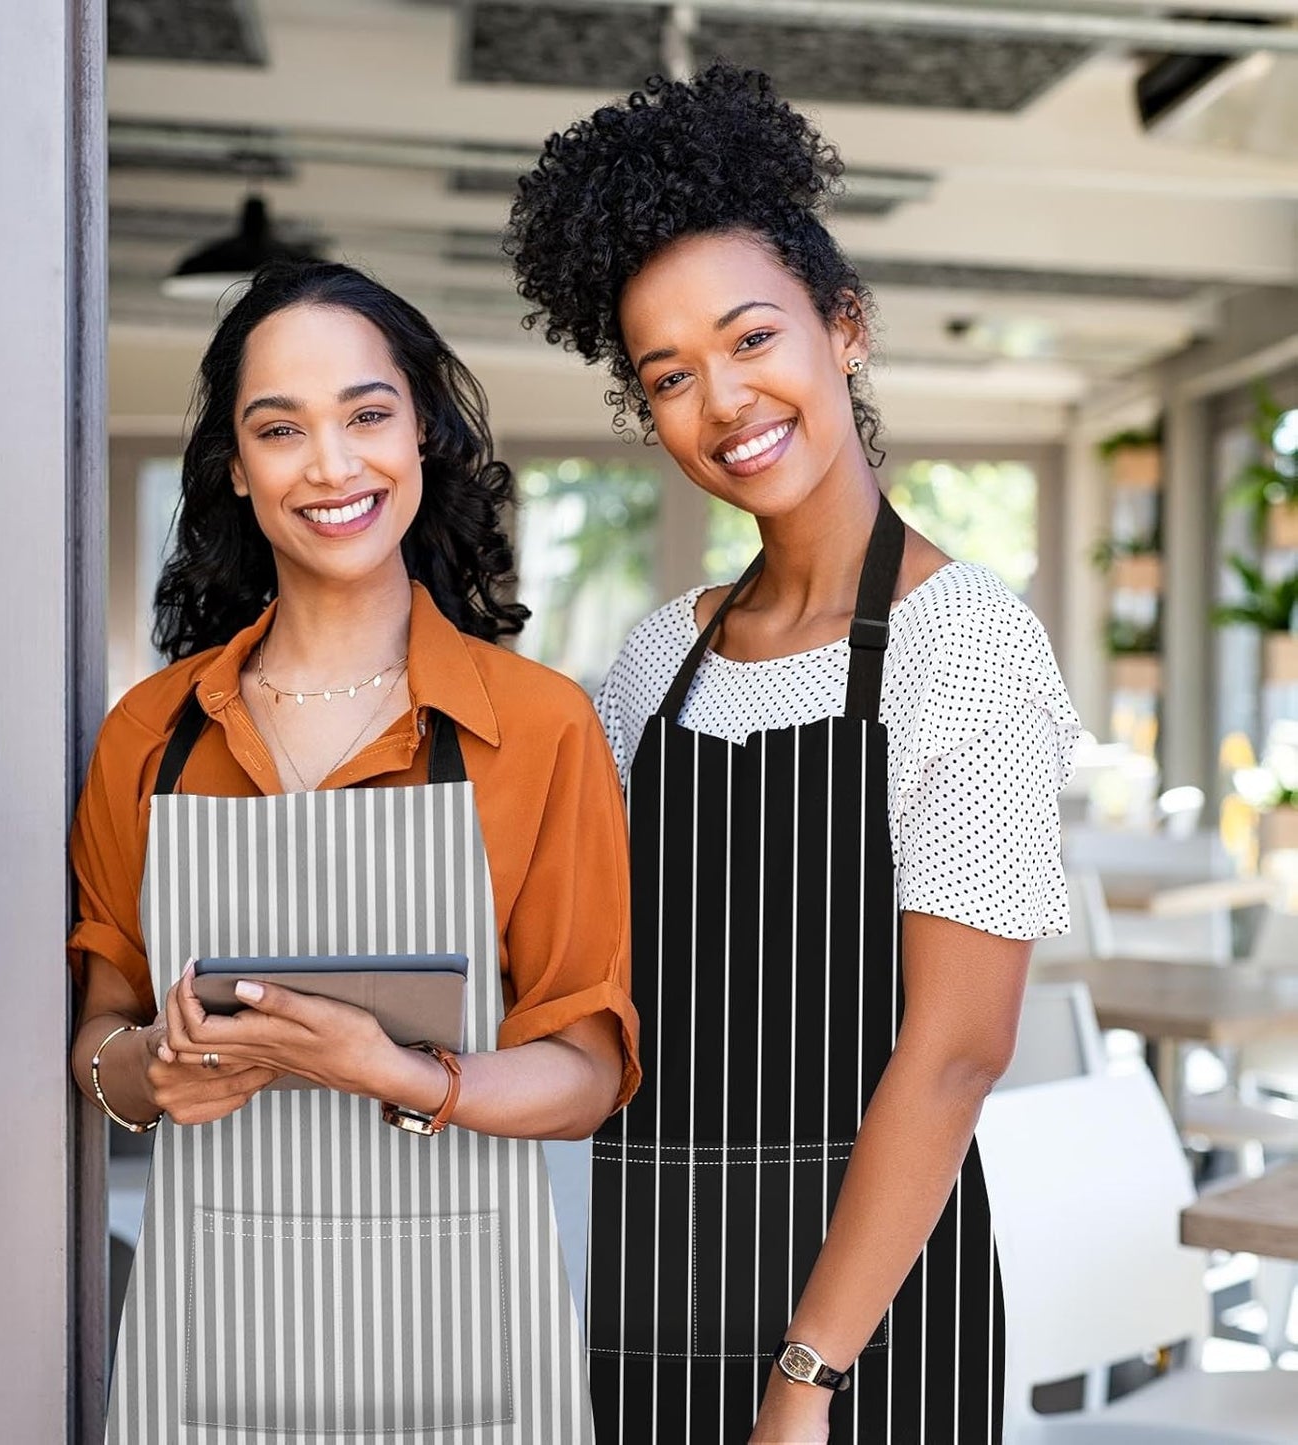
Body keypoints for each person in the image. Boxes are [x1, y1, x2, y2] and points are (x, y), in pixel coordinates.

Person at [507, 63, 1080, 1445]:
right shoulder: (658, 659)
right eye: (669, 376)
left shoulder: (965, 644)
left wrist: (802, 1382)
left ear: (845, 327)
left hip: (869, 1322)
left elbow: (955, 1054)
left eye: (752, 336)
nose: (722, 399)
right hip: (656, 1275)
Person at [67, 259, 639, 1443]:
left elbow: (586, 1070)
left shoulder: (537, 727)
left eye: (366, 415)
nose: (330, 465)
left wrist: (401, 1073)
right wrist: (146, 1071)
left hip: (468, 1357)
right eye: (281, 428)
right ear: (238, 466)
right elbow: (100, 1030)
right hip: (211, 1350)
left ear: (421, 431)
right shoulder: (151, 736)